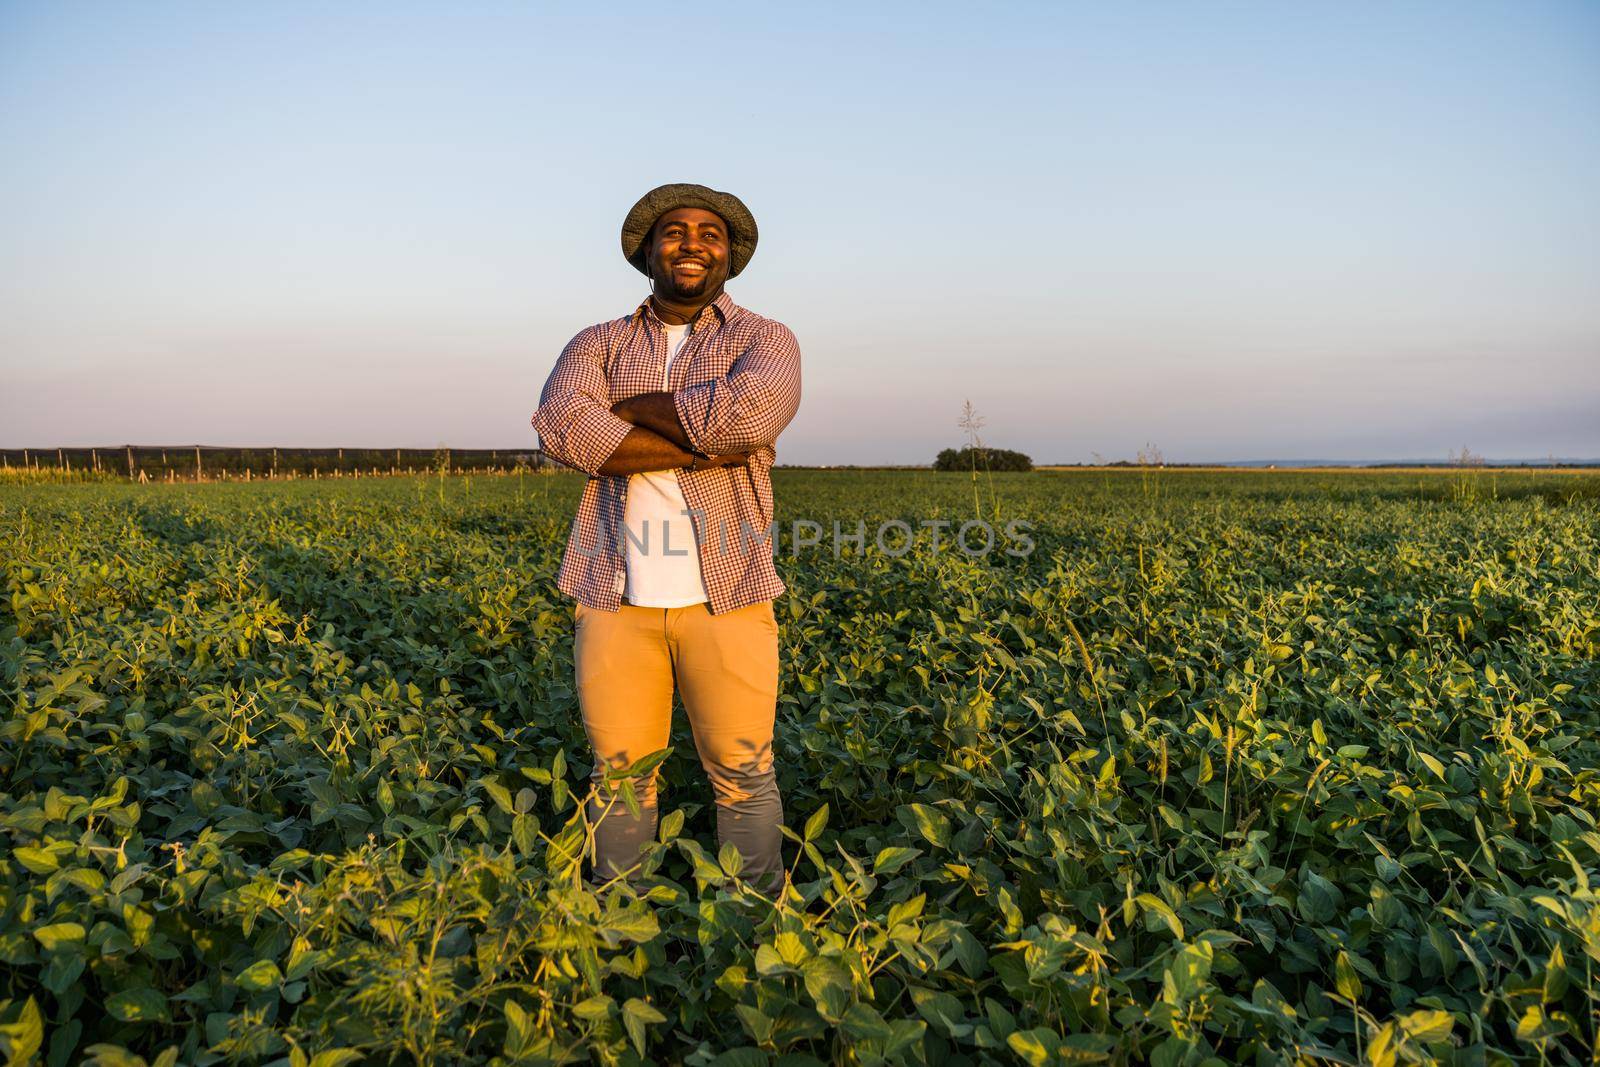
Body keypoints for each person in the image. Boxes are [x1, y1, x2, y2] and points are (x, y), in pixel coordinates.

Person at [530, 183, 802, 896]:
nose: (691, 244)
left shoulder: (764, 339)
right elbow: (563, 429)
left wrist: (624, 418)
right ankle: (620, 925)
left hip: (730, 593)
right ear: (648, 250)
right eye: (674, 231)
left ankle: (751, 919)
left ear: (729, 254)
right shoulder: (597, 342)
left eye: (709, 233)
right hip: (612, 596)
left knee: (744, 772)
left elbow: (750, 420)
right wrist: (700, 439)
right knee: (620, 776)